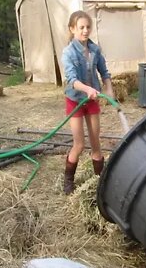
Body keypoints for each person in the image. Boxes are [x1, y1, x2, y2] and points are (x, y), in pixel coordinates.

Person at [61, 10, 114, 195]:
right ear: (72, 29)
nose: (85, 31)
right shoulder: (68, 53)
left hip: (92, 101)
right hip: (75, 100)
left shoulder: (95, 50)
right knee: (79, 144)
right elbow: (72, 80)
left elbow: (105, 73)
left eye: (88, 27)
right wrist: (88, 89)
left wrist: (109, 89)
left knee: (95, 143)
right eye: (81, 27)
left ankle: (101, 182)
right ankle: (68, 181)